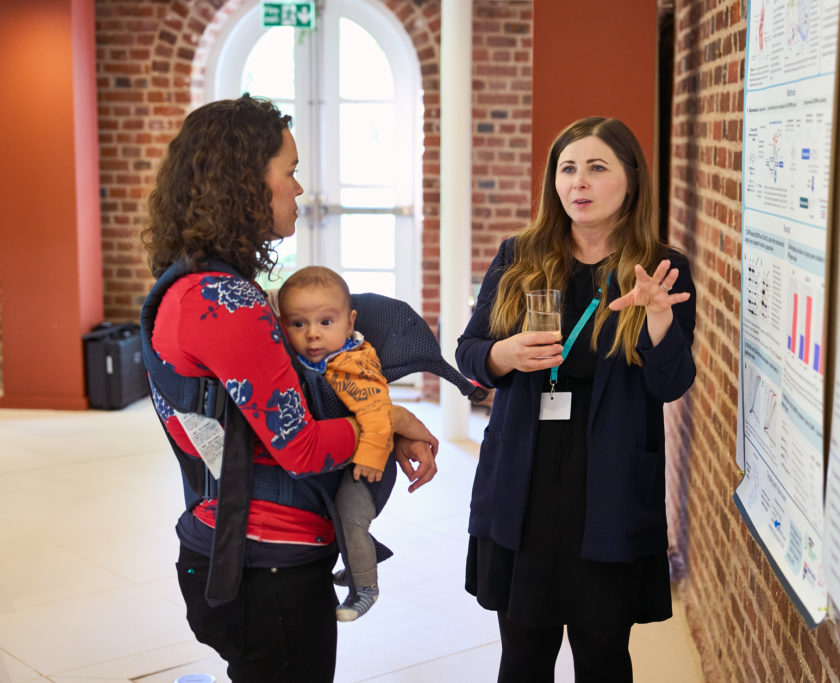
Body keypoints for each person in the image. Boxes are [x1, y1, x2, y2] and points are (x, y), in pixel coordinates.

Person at [141, 94, 438, 682]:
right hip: (264, 567)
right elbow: (299, 449)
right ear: (247, 182)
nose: (299, 188)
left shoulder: (189, 283)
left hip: (227, 545)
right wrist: (386, 423)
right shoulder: (226, 301)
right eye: (291, 171)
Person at [455, 116, 697, 683]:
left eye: (596, 168)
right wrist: (504, 355)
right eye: (567, 169)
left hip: (609, 489)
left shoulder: (660, 269)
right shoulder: (520, 255)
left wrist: (658, 315)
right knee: (523, 655)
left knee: (603, 655)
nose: (578, 183)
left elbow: (671, 385)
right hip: (526, 484)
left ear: (630, 181)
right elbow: (469, 356)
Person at [277, 265, 392, 622]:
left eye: (326, 322)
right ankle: (360, 560)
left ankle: (366, 588)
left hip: (369, 461)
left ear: (349, 320)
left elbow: (378, 414)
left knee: (349, 516)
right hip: (345, 453)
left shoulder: (352, 365)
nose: (312, 335)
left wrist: (371, 458)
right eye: (299, 324)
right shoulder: (311, 359)